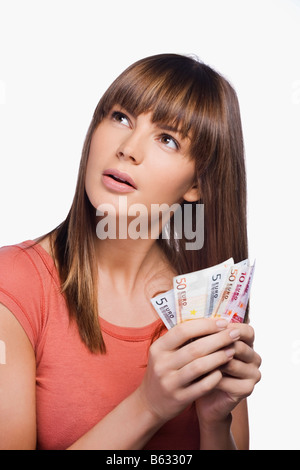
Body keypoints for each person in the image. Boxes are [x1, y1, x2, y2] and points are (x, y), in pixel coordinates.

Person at [0, 53, 261, 450]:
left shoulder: (206, 305)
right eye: (121, 117)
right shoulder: (14, 284)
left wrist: (214, 421)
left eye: (167, 139)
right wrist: (147, 406)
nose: (128, 148)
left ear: (198, 185)